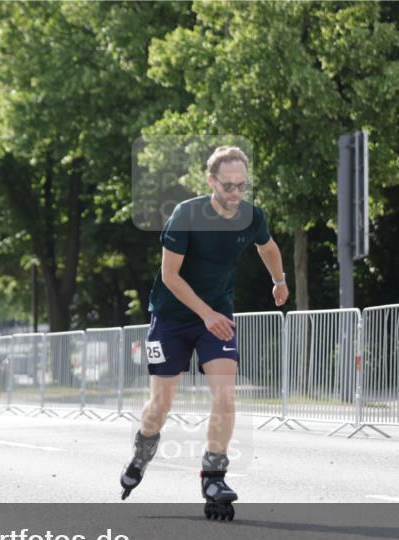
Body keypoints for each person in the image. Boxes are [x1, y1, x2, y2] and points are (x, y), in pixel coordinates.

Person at [120, 146, 288, 520]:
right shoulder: (187, 215)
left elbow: (269, 247)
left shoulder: (250, 216)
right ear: (211, 181)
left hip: (216, 317)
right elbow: (170, 277)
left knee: (226, 395)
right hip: (171, 318)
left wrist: (279, 281)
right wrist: (206, 313)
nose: (235, 194)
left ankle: (214, 475)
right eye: (228, 186)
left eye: (242, 186)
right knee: (160, 404)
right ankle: (143, 451)